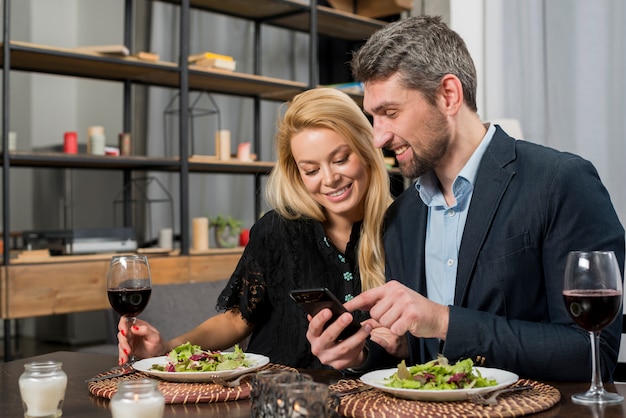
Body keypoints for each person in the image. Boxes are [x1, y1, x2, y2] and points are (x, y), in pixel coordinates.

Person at [306, 15, 625, 382]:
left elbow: (590, 353)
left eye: (390, 113)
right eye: (373, 118)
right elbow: (417, 350)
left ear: (449, 95)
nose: (379, 139)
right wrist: (361, 352)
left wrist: (443, 320)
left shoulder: (561, 182)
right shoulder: (402, 216)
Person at [116, 87, 393, 369]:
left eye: (340, 159)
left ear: (367, 148)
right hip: (269, 395)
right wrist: (167, 349)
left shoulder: (404, 227)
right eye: (311, 170)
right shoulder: (277, 230)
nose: (330, 179)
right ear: (297, 173)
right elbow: (238, 319)